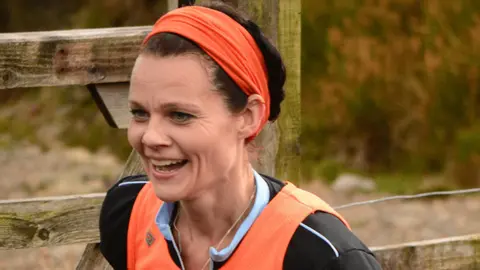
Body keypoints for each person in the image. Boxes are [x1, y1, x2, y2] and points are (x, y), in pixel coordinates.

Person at [99, 1, 383, 269]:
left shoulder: (320, 255)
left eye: (180, 115)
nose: (151, 137)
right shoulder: (128, 213)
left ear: (249, 116)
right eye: (140, 113)